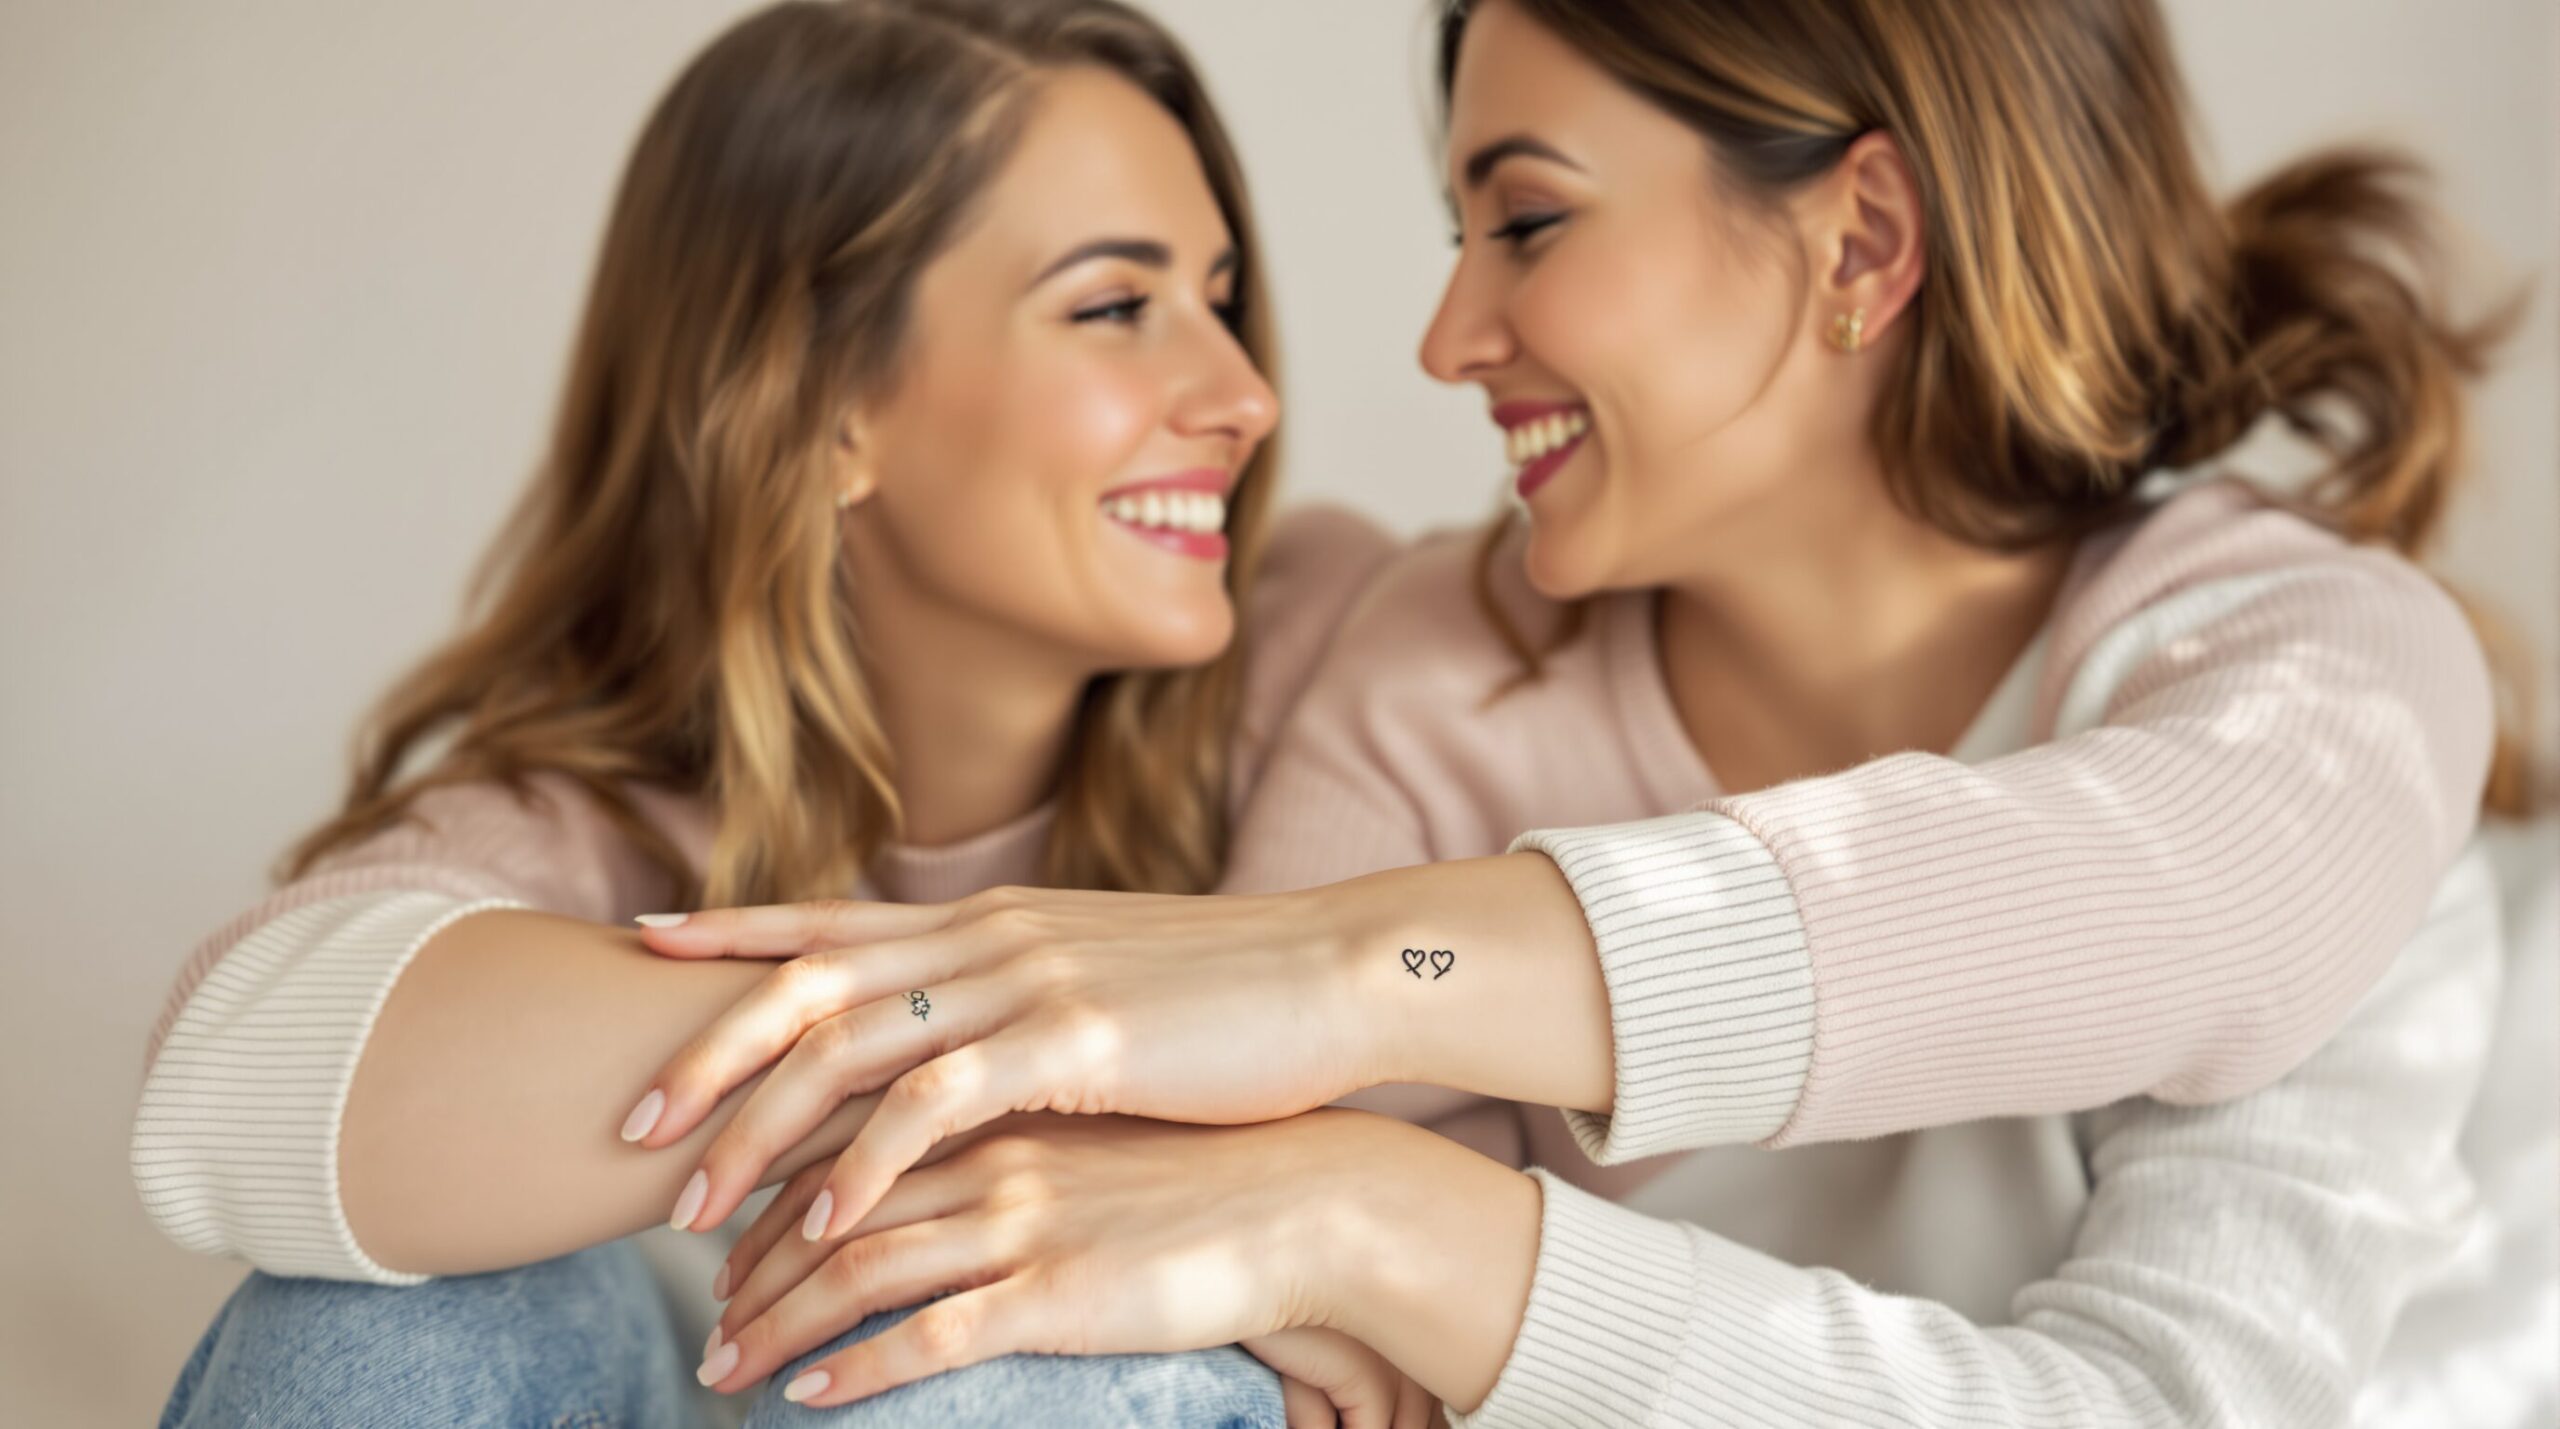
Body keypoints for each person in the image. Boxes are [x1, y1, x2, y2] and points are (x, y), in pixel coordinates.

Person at [629, 0, 2526, 1422]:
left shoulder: (2305, 685)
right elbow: (1268, 1345)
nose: (1447, 339)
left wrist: (1377, 1143)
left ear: (1861, 243)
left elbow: (2160, 1366)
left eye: (1525, 224)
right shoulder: (1441, 674)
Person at [136, 2, 1420, 1423]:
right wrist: (989, 1036)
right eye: (1116, 305)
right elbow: (233, 1082)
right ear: (829, 408)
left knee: (1001, 1351)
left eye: (1220, 299)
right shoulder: (616, 797)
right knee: (378, 1327)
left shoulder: (1336, 640)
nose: (1242, 393)